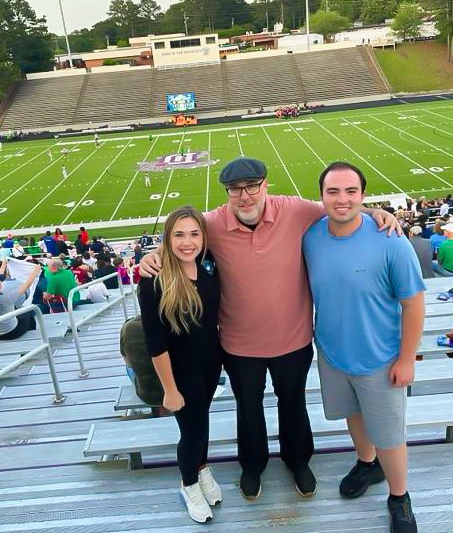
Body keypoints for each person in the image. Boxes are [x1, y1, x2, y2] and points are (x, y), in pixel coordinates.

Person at [140, 157, 401, 501]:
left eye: (252, 186)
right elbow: (183, 232)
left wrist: (377, 213)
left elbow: (337, 206)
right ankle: (252, 466)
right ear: (228, 193)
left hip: (292, 339)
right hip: (238, 343)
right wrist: (155, 253)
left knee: (292, 404)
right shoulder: (214, 223)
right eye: (236, 189)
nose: (245, 196)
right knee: (248, 409)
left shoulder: (293, 210)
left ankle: (298, 461)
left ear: (265, 185)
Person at [303, 162, 424, 533]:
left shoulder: (390, 240)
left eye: (351, 192)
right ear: (321, 196)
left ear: (363, 196)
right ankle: (367, 462)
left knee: (389, 434)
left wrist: (407, 359)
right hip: (333, 352)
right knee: (353, 415)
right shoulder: (310, 236)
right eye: (333, 192)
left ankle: (399, 497)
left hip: (380, 356)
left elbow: (414, 303)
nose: (342, 199)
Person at [138, 206, 223, 524]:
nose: (187, 242)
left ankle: (202, 469)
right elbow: (155, 344)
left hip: (211, 365)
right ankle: (188, 484)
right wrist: (170, 390)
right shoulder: (154, 281)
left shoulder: (206, 266)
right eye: (178, 235)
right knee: (192, 433)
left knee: (202, 425)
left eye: (194, 234)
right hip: (181, 373)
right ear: (166, 239)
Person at [0, 260, 40, 340]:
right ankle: (32, 340)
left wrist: (4, 263)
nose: (1, 282)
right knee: (28, 312)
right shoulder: (6, 297)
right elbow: (27, 285)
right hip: (10, 333)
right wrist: (35, 271)